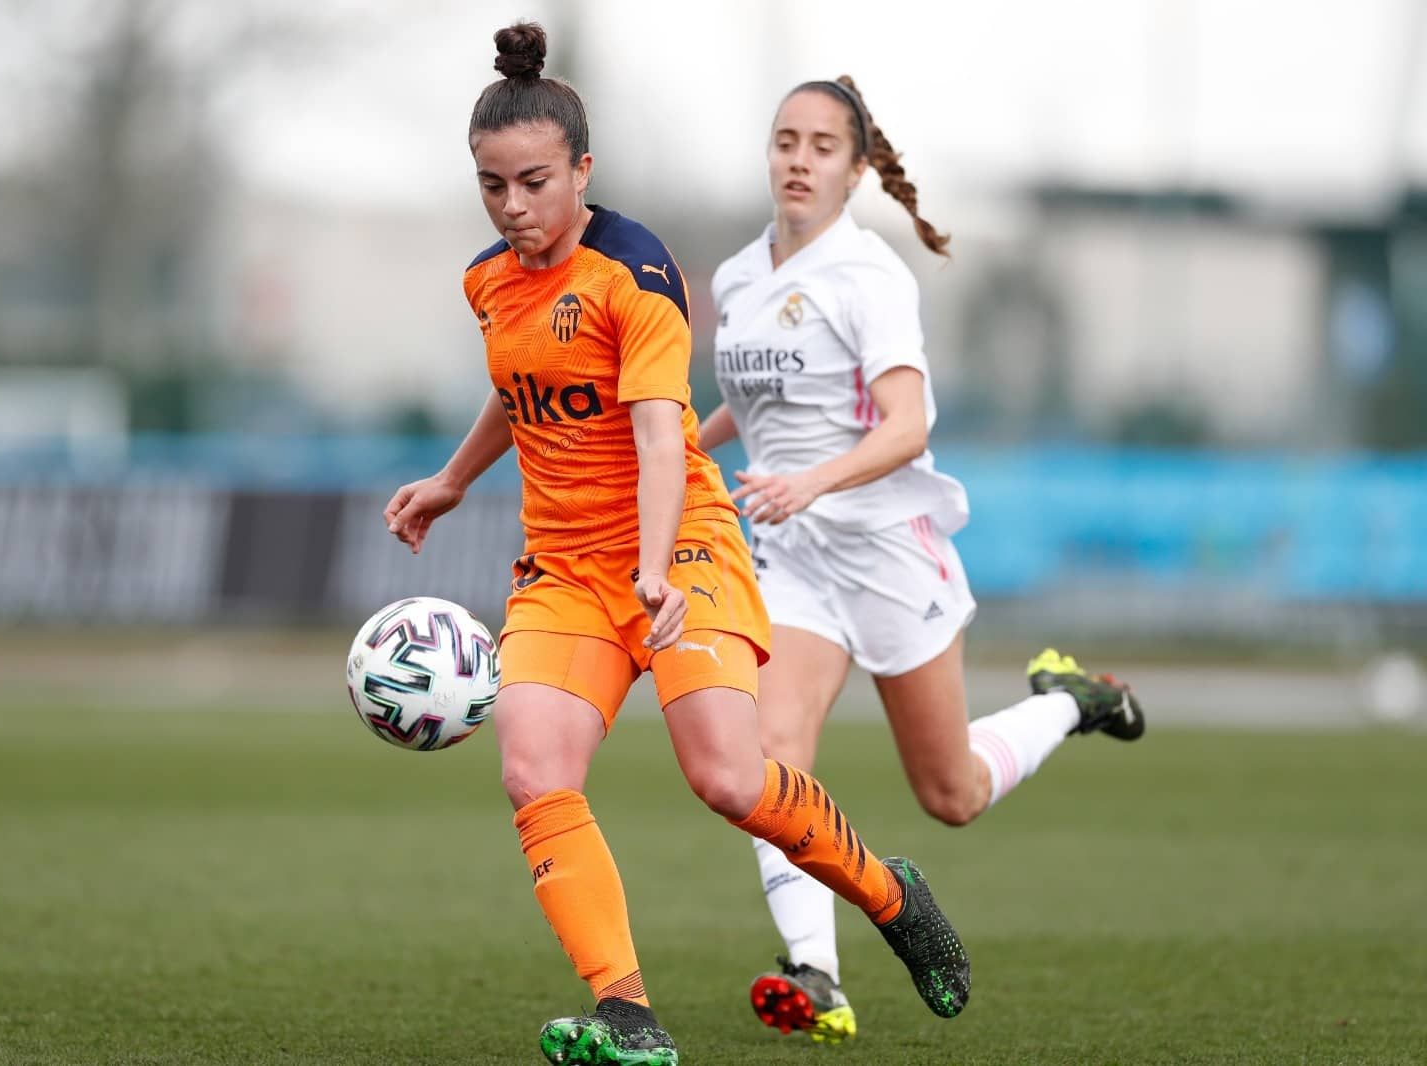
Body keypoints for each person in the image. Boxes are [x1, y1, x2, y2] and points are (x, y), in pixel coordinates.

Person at [384, 27, 970, 1066]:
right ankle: (627, 1013)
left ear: (581, 172)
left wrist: (654, 568)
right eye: (491, 186)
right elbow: (519, 386)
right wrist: (454, 479)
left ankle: (890, 893)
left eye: (533, 182)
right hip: (561, 566)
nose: (513, 207)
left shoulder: (636, 272)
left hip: (681, 544)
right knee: (533, 768)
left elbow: (663, 437)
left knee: (730, 780)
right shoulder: (488, 282)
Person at [697, 76, 1146, 1046]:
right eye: (785, 140)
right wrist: (689, 444)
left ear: (856, 171)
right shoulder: (738, 278)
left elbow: (908, 427)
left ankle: (1073, 699)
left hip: (886, 551)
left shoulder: (868, 276)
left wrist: (810, 480)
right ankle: (813, 971)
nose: (798, 159)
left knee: (950, 796)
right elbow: (765, 401)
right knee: (766, 760)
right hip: (792, 556)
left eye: (822, 145)